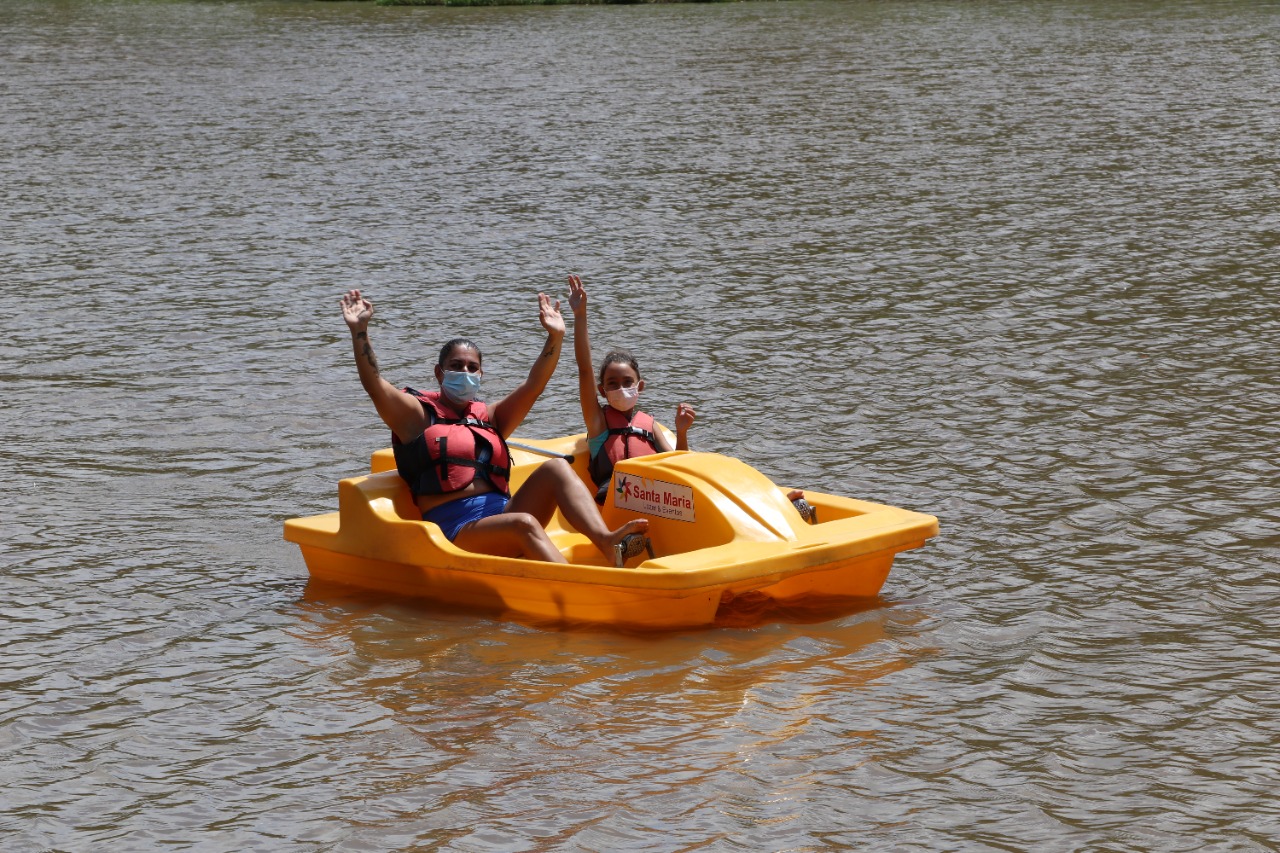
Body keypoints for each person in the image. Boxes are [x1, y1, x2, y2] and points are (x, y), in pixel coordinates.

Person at [339, 288, 649, 566]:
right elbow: (375, 385)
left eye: (472, 367)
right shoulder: (416, 415)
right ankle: (581, 591)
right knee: (523, 524)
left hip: (505, 515)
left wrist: (555, 337)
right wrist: (360, 331)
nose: (465, 372)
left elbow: (533, 385)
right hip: (457, 532)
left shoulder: (489, 417)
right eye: (457, 366)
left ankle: (607, 542)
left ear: (481, 373)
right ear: (439, 372)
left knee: (555, 469)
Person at [566, 274, 696, 504]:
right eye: (612, 384)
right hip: (615, 502)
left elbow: (678, 464)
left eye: (627, 382)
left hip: (655, 502)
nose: (621, 388)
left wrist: (682, 432)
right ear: (602, 391)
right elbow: (585, 369)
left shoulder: (649, 425)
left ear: (640, 386)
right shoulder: (598, 422)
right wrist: (580, 315)